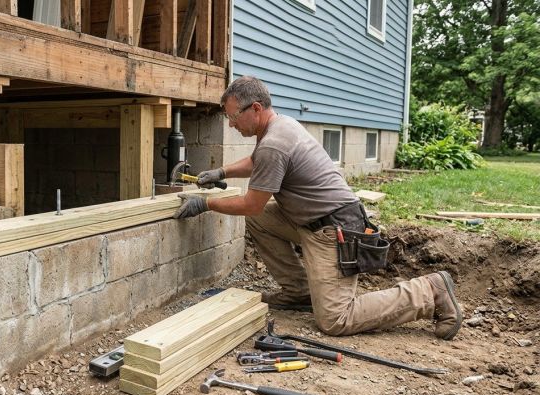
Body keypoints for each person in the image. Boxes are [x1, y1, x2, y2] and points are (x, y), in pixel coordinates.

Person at [174, 76, 464, 340]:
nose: (231, 124)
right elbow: (256, 161)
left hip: (335, 230)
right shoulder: (280, 125)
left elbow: (251, 203)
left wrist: (205, 203)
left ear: (256, 108)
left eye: (233, 116)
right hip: (314, 220)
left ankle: (428, 291)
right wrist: (221, 173)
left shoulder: (274, 142)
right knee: (262, 219)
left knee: (336, 319)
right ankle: (299, 292)